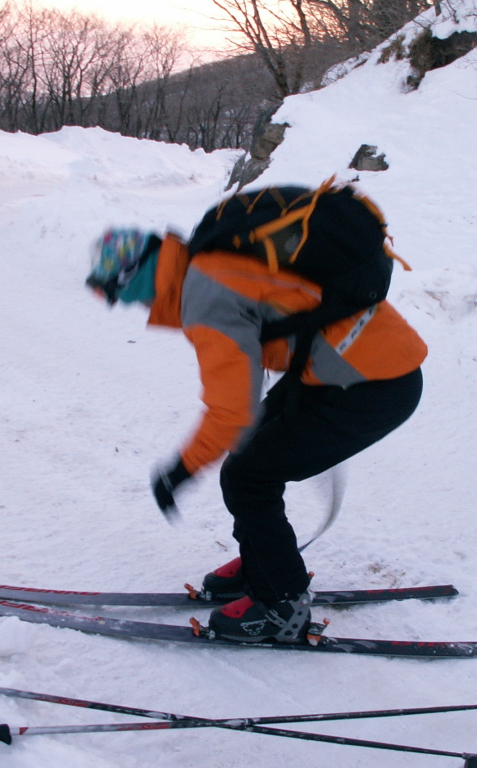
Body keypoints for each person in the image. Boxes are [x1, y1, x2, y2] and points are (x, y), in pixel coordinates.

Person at [86, 212, 427, 645]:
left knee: (249, 476)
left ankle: (281, 604)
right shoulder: (203, 264)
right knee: (252, 462)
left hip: (373, 383)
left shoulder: (204, 297)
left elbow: (230, 411)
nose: (132, 305)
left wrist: (181, 470)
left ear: (137, 277)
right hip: (348, 369)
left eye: (124, 294)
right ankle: (265, 562)